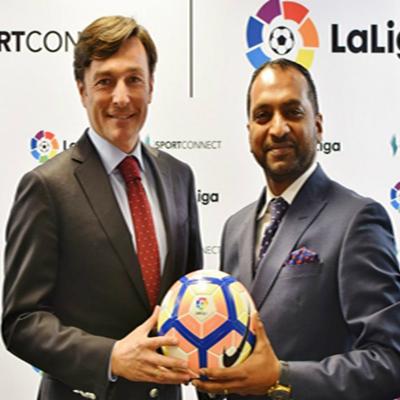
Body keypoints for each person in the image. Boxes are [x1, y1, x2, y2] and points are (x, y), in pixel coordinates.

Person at [2, 16, 203, 400]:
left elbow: (189, 296)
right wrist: (110, 357)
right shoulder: (46, 187)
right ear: (82, 90)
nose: (121, 98)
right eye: (105, 82)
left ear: (151, 85)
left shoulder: (179, 176)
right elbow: (21, 322)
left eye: (134, 79)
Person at [193, 59, 400, 399]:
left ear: (318, 125)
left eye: (292, 112)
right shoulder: (235, 228)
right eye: (263, 116)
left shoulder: (357, 219)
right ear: (249, 132)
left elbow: (389, 361)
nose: (278, 129)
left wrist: (281, 377)